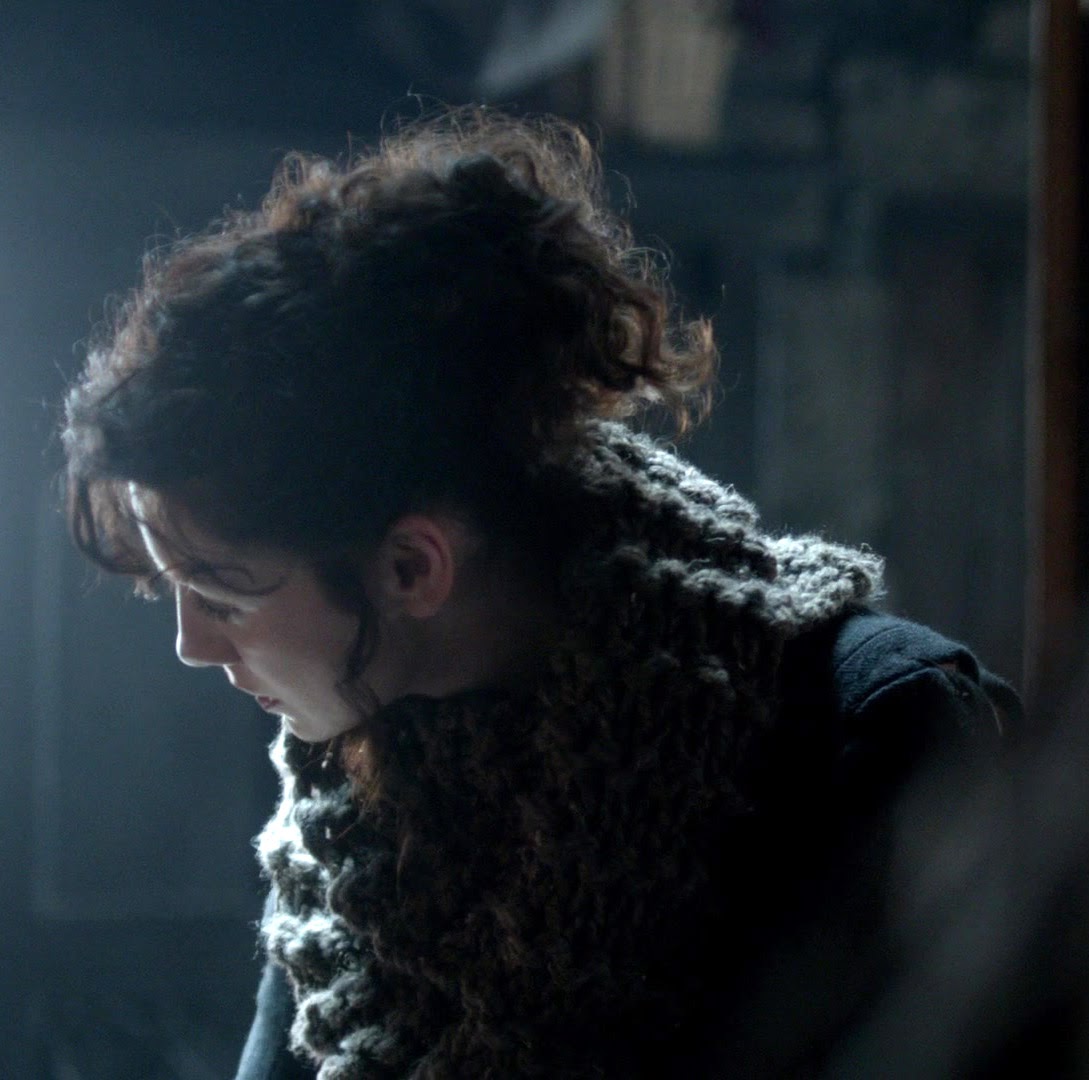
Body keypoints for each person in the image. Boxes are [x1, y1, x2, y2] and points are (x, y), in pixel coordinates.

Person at [61, 110, 1014, 1079]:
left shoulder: (875, 731)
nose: (192, 645)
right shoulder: (350, 810)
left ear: (413, 569)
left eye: (221, 596)